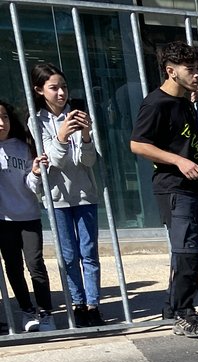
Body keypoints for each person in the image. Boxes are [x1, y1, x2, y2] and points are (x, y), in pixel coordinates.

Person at [129, 41, 198, 337]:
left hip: (192, 184)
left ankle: (172, 306)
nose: (197, 75)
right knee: (187, 249)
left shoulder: (185, 102)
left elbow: (193, 137)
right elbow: (137, 143)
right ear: (170, 71)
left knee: (189, 250)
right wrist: (178, 161)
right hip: (173, 187)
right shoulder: (156, 102)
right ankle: (183, 313)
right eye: (190, 69)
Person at [30, 63, 103, 327]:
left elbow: (89, 160)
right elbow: (55, 162)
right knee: (69, 255)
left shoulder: (78, 113)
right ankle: (77, 302)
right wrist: (61, 135)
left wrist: (85, 135)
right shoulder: (36, 120)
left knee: (89, 252)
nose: (61, 93)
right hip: (57, 198)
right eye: (54, 88)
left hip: (85, 195)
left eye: (64, 87)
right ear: (39, 90)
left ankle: (93, 304)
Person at [0, 99, 54, 333]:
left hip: (29, 216)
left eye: (4, 116)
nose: (1, 122)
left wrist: (34, 173)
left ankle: (45, 312)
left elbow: (33, 187)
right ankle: (27, 311)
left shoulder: (23, 147)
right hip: (3, 220)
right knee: (13, 267)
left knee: (36, 265)